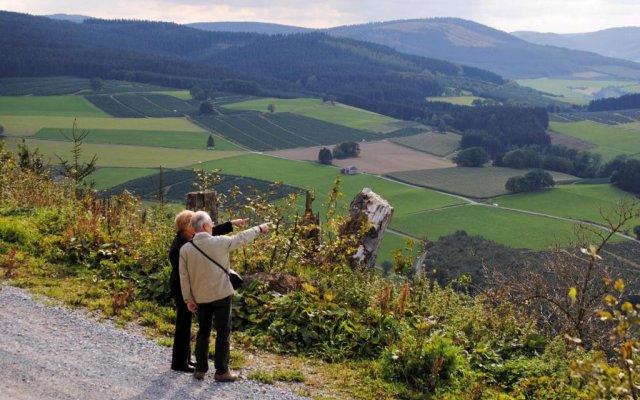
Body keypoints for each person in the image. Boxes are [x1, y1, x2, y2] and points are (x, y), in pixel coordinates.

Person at [179, 211, 270, 381]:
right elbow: (242, 237)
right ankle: (221, 371)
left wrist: (188, 299)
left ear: (192, 227)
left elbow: (184, 277)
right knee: (223, 333)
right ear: (206, 226)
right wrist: (259, 228)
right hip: (221, 295)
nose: (212, 225)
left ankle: (200, 369)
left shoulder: (185, 249)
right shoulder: (221, 242)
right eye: (211, 223)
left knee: (203, 332)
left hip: (200, 298)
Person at [168, 210, 246, 373]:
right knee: (183, 324)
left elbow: (210, 234)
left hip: (191, 286)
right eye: (191, 223)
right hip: (183, 287)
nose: (194, 226)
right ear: (186, 226)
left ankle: (187, 360)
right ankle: (179, 362)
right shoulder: (179, 248)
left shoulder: (189, 239)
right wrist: (189, 296)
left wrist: (231, 224)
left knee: (188, 323)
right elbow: (185, 273)